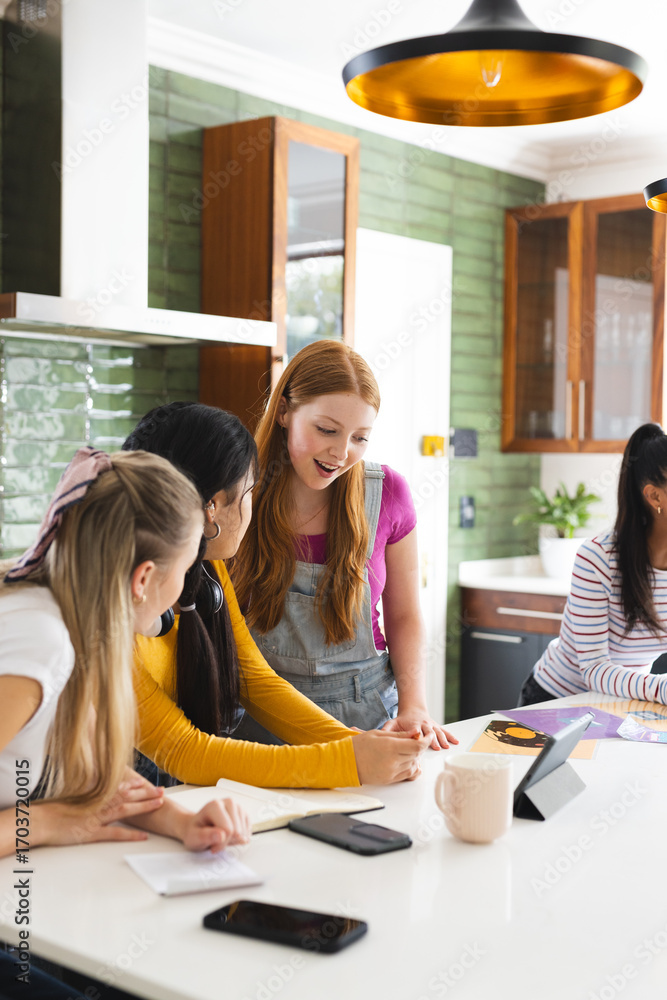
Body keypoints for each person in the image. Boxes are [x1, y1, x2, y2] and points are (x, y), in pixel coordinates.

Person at [123, 402, 429, 788]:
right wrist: (348, 761)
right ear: (212, 507)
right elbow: (185, 752)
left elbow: (254, 679)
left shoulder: (206, 566)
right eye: (249, 492)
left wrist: (363, 747)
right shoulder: (109, 614)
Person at [0, 447, 252, 860]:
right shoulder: (41, 646)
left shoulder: (74, 619)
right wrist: (45, 823)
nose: (180, 594)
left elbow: (97, 776)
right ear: (144, 578)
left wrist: (182, 821)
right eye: (186, 569)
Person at [232, 340, 456, 750]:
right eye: (327, 430)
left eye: (360, 437)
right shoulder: (239, 491)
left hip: (367, 715)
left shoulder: (389, 493)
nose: (341, 452)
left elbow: (404, 614)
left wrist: (415, 705)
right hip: (259, 717)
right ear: (284, 411)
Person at [517, 422, 667, 706]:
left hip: (624, 701)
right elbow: (595, 670)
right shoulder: (599, 558)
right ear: (654, 496)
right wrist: (660, 687)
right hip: (556, 699)